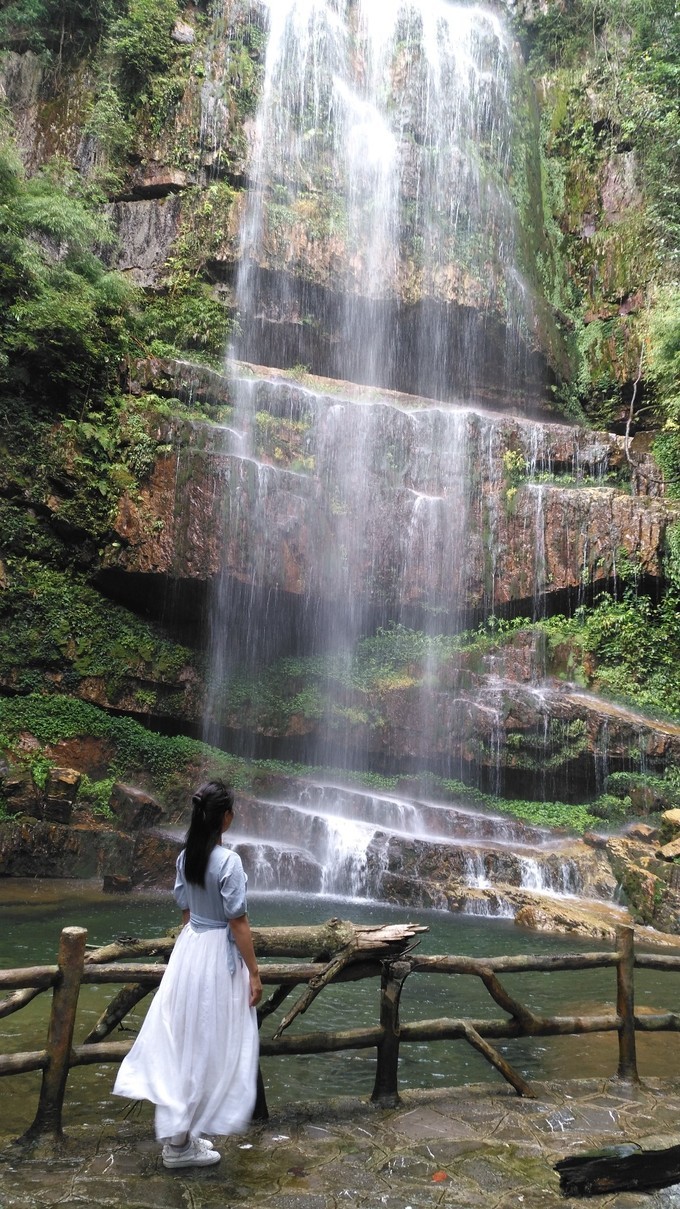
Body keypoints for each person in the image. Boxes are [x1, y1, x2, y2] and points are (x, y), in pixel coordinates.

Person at [113, 780, 262, 1169]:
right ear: (225, 818)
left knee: (186, 1037)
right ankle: (180, 1145)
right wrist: (255, 974)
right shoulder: (229, 862)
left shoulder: (186, 858)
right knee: (208, 1040)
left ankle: (182, 1137)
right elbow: (239, 923)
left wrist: (190, 945)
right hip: (215, 955)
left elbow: (185, 911)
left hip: (190, 948)